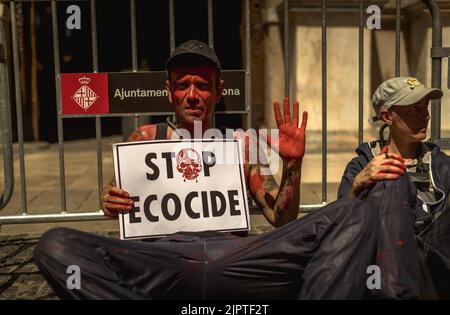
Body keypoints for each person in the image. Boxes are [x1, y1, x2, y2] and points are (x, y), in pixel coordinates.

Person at [34, 40, 378, 300]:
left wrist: (293, 166)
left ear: (218, 92)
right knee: (55, 244)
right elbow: (120, 196)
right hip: (165, 258)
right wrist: (112, 199)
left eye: (202, 85)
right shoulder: (145, 137)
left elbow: (281, 219)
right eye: (183, 85)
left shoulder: (241, 144)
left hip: (236, 258)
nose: (193, 95)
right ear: (169, 92)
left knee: (353, 214)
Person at [337, 77, 450, 299]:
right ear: (388, 116)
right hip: (385, 268)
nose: (425, 115)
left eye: (425, 107)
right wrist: (358, 185)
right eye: (413, 109)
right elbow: (340, 226)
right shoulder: (363, 164)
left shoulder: (439, 163)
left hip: (435, 268)